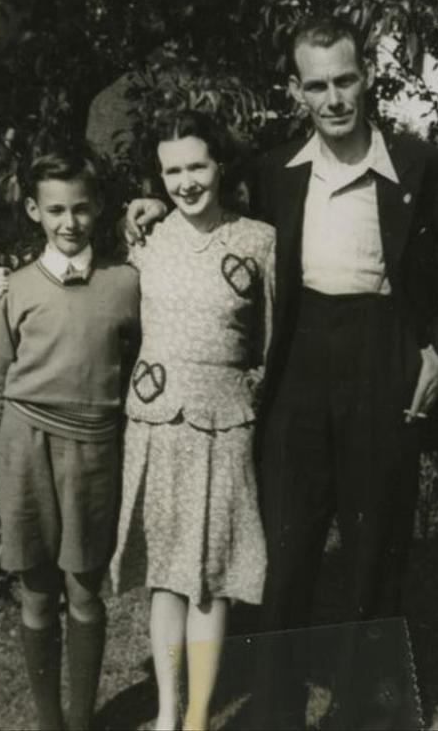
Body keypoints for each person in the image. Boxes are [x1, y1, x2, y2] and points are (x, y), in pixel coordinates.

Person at [123, 14, 438, 728]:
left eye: (345, 80)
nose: (333, 98)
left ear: (368, 77)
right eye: (317, 85)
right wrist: (147, 202)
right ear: (297, 90)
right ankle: (276, 708)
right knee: (284, 548)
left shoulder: (422, 167)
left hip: (385, 354)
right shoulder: (275, 171)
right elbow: (207, 206)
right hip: (299, 361)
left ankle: (361, 710)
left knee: (374, 547)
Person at [0, 149, 140, 731]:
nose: (70, 222)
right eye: (56, 210)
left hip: (93, 452)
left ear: (100, 208)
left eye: (81, 208)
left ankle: (82, 721)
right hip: (24, 450)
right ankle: (49, 723)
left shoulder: (126, 283)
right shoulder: (12, 289)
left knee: (85, 590)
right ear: (33, 210)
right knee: (37, 592)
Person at [109, 109, 274, 731]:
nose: (186, 182)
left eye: (197, 166)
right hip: (154, 423)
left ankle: (200, 717)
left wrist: (250, 396)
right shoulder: (145, 239)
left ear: (220, 165)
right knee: (165, 575)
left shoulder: (259, 241)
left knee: (210, 576)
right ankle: (166, 713)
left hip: (224, 425)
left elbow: (273, 340)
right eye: (172, 171)